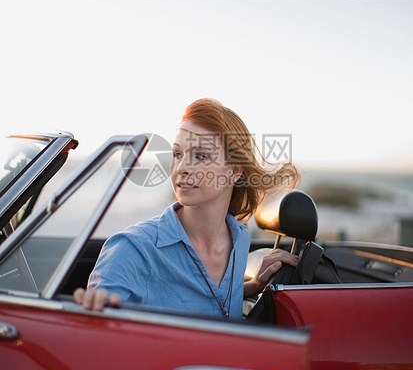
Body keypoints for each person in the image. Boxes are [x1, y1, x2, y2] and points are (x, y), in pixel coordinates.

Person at [74, 98, 299, 318]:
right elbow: (97, 328)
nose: (181, 168)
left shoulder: (239, 238)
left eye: (200, 156)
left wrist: (254, 287)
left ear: (234, 171)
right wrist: (95, 309)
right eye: (177, 154)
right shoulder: (133, 249)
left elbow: (211, 304)